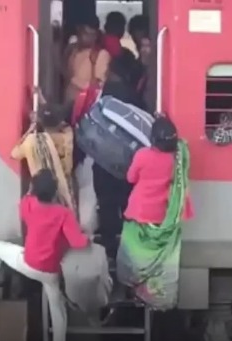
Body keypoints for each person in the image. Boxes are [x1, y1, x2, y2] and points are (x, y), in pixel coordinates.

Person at [0, 169, 89, 341]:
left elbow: (26, 201)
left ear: (34, 190)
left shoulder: (28, 205)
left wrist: (32, 189)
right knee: (57, 308)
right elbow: (77, 242)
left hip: (28, 263)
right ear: (55, 191)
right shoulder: (64, 214)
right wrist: (87, 238)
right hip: (50, 271)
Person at [117, 116, 193, 309]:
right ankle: (152, 294)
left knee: (133, 251)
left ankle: (132, 283)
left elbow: (130, 177)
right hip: (162, 215)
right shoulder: (176, 159)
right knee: (157, 256)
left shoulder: (143, 155)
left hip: (139, 212)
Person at [89, 50, 145, 259]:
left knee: (106, 203)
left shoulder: (104, 92)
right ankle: (128, 244)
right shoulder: (132, 94)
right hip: (126, 159)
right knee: (125, 201)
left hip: (103, 156)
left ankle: (109, 244)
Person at [64, 15, 111, 103]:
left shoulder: (101, 55)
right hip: (69, 103)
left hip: (85, 106)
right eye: (83, 33)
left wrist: (74, 81)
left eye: (91, 34)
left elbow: (97, 87)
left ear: (96, 35)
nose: (85, 37)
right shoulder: (73, 51)